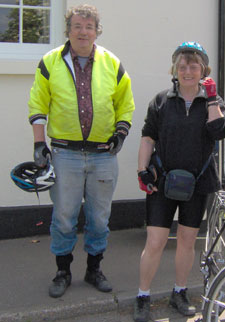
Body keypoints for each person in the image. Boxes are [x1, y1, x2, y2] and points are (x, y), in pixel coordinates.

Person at [28, 4, 135, 298]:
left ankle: (93, 269)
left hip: (103, 155)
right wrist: (40, 144)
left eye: (89, 27)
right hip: (66, 155)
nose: (83, 32)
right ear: (69, 30)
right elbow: (38, 104)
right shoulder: (50, 62)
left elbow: (125, 104)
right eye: (77, 26)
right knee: (64, 216)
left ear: (96, 31)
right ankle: (62, 271)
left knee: (99, 217)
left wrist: (121, 132)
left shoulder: (112, 63)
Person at [133, 41, 225, 322]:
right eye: (183, 66)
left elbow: (219, 131)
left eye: (194, 65)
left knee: (187, 241)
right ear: (175, 69)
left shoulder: (213, 101)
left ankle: (180, 292)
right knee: (155, 241)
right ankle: (143, 296)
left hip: (198, 184)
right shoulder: (162, 100)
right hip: (162, 182)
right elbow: (148, 137)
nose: (188, 71)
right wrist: (142, 170)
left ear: (203, 70)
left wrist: (211, 99)